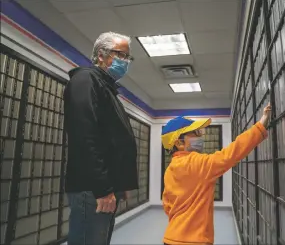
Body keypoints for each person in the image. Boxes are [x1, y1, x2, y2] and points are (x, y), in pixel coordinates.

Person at [64, 32, 138, 245]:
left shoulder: (107, 89)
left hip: (105, 185)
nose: (126, 62)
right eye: (121, 55)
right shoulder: (85, 80)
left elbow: (111, 139)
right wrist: (103, 188)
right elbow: (85, 137)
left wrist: (119, 182)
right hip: (92, 188)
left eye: (128, 58)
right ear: (101, 55)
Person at [161, 103, 272, 245]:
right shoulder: (199, 164)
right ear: (179, 143)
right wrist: (261, 124)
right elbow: (232, 153)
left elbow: (167, 205)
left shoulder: (170, 170)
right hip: (195, 240)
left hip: (170, 237)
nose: (201, 136)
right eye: (196, 133)